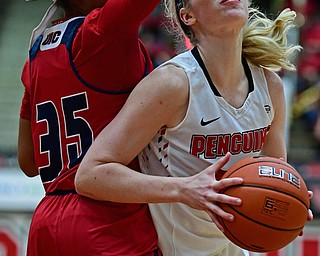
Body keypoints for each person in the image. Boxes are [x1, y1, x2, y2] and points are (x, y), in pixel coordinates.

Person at [75, 0, 313, 255]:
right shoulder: (173, 84)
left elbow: (275, 177)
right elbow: (91, 175)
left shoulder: (270, 86)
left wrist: (290, 202)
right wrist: (184, 189)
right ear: (187, 16)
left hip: (231, 249)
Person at [17, 0, 162, 255]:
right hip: (109, 220)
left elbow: (29, 162)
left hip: (45, 223)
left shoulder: (35, 55)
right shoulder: (102, 32)